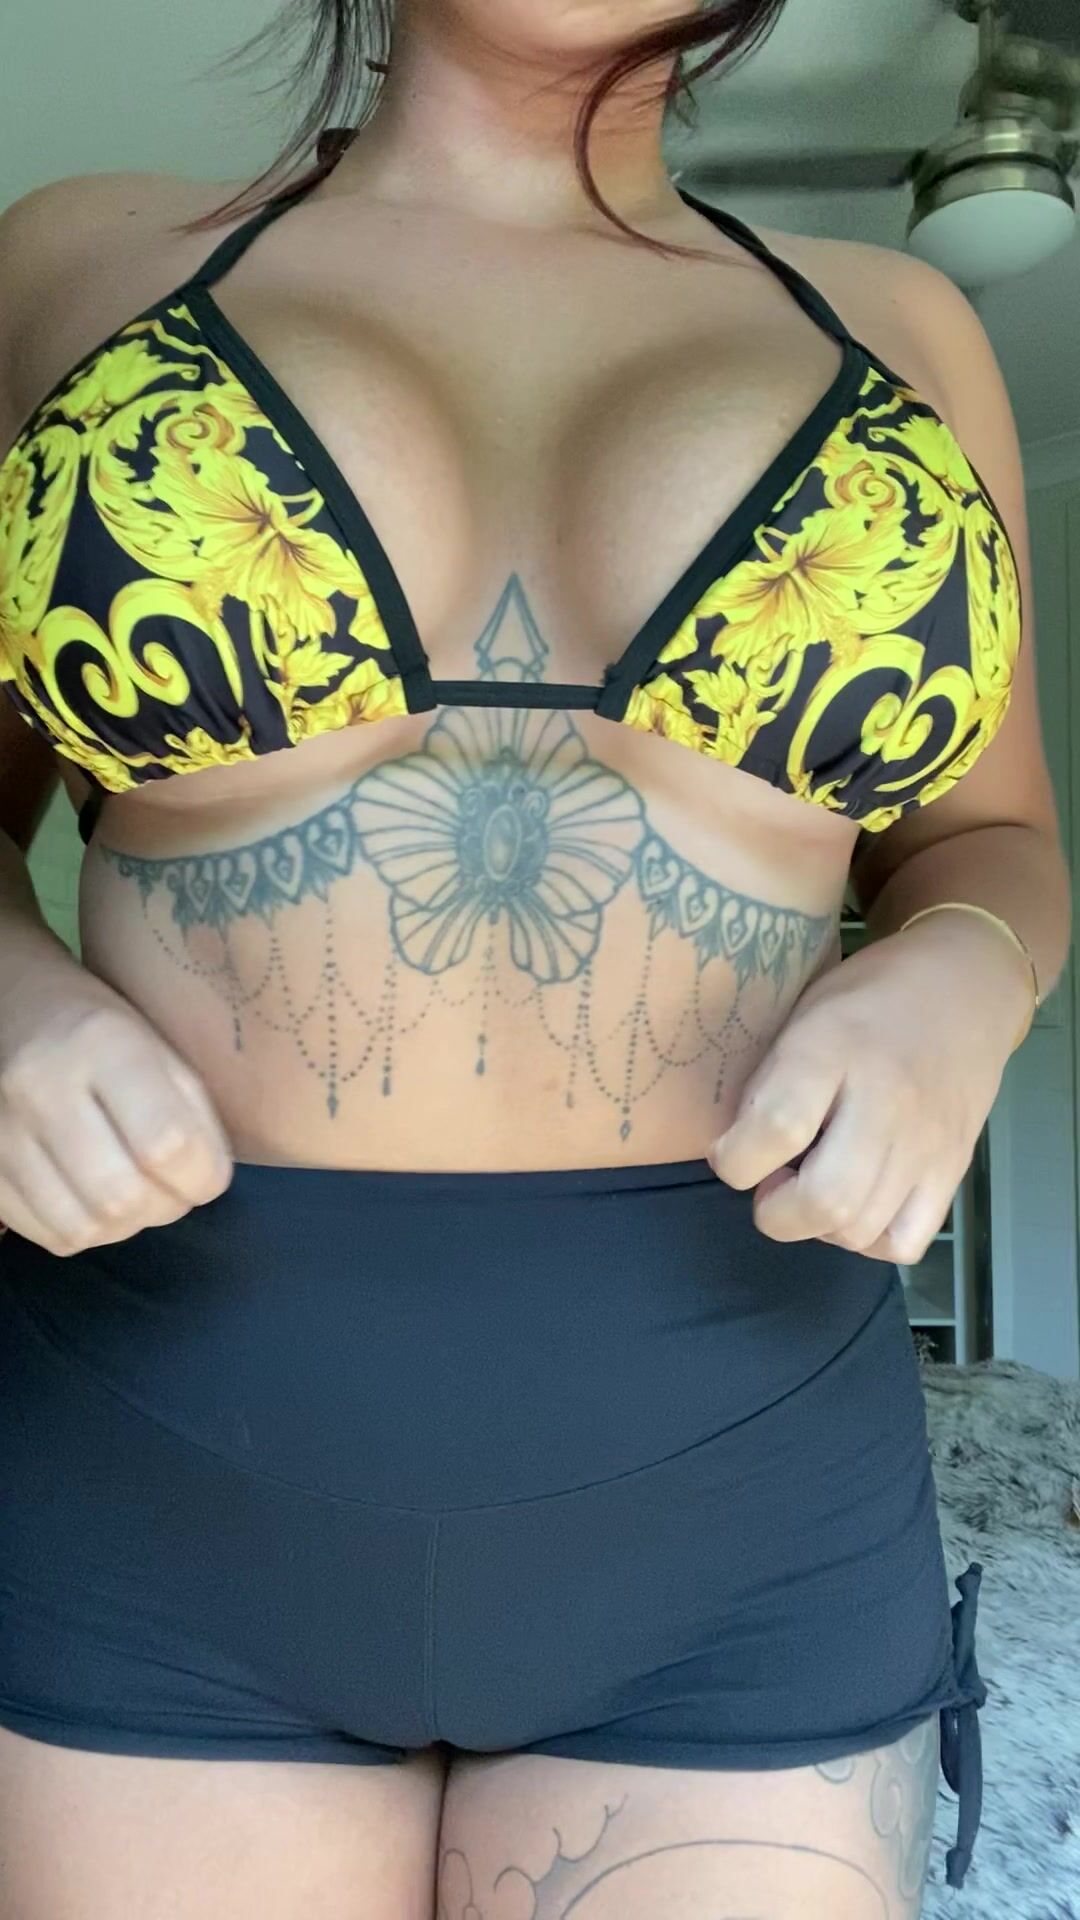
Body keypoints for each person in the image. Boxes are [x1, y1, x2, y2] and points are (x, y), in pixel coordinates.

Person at [0, 1, 1070, 1914]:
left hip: (743, 1506)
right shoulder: (73, 266)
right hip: (150, 1470)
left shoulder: (906, 332)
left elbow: (990, 842)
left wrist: (966, 977)